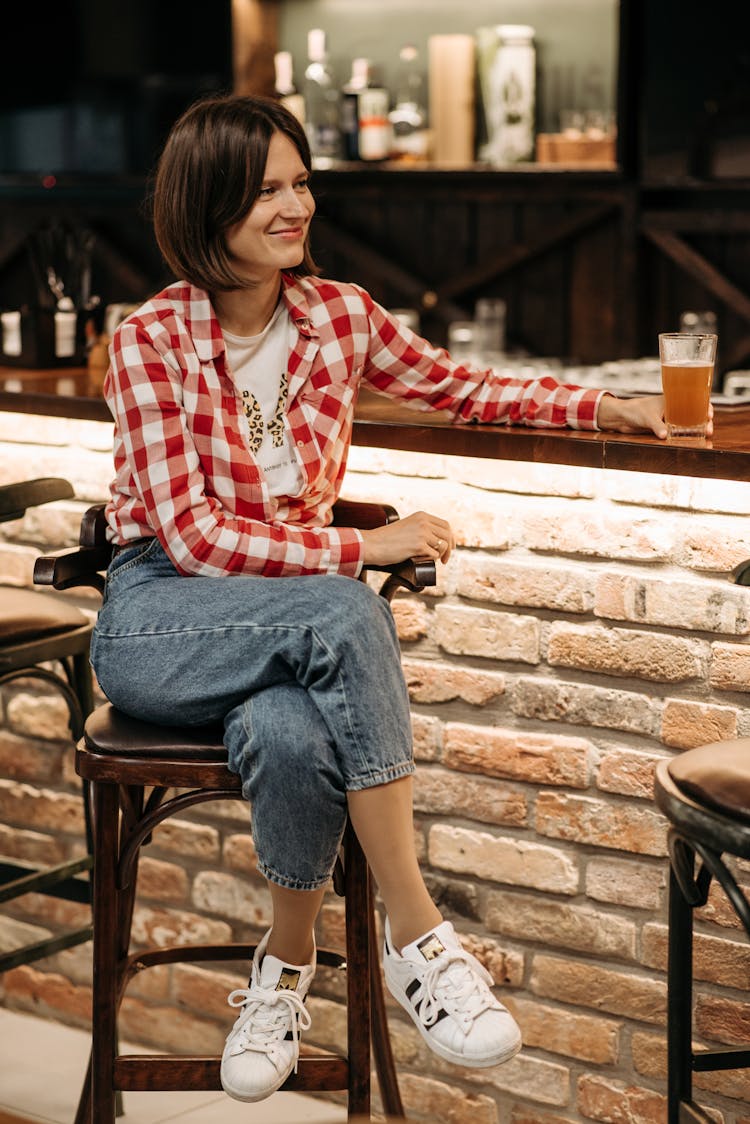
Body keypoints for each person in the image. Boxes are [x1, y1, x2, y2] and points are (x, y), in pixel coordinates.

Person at [91, 93, 674, 1105]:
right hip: (160, 614)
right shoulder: (151, 340)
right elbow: (194, 537)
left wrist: (604, 404)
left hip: (282, 625)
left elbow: (466, 387)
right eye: (267, 189)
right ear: (207, 204)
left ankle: (280, 976)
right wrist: (366, 543)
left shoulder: (338, 316)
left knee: (289, 730)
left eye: (301, 182)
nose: (296, 205)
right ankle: (417, 932)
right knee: (345, 604)